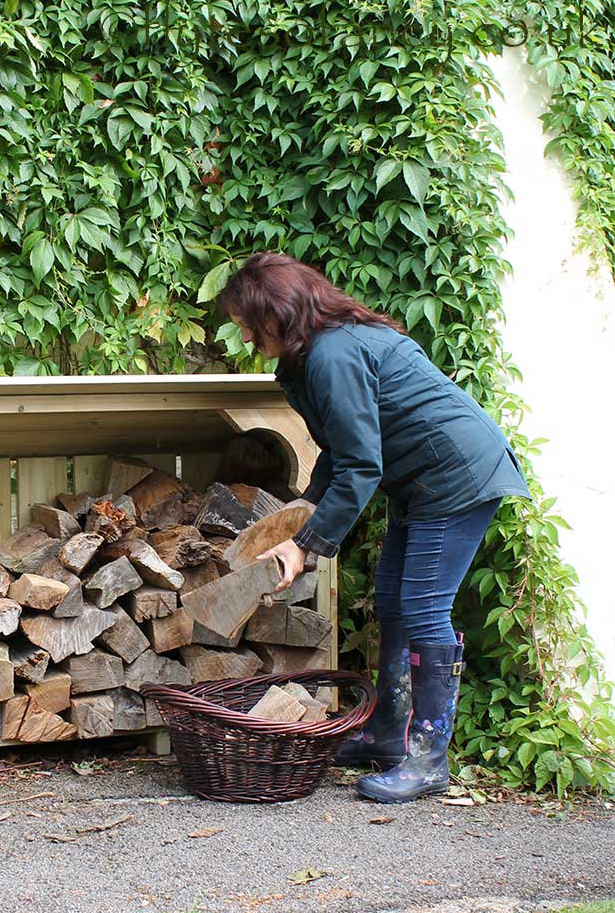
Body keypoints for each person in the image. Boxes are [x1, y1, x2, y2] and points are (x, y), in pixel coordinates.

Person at [218, 252, 529, 804]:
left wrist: (307, 546)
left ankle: (430, 759)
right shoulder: (317, 353)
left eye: (247, 322)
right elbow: (341, 452)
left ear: (276, 313)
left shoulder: (334, 354)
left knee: (423, 608)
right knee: (392, 598)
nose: (243, 334)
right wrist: (302, 517)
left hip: (455, 475)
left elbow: (363, 465)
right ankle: (389, 734)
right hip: (422, 479)